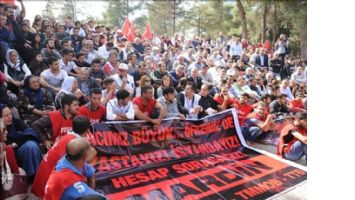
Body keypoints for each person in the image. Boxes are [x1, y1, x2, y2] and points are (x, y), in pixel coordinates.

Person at [32, 116, 97, 199]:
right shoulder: (75, 143)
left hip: (44, 180)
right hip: (50, 185)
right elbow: (90, 155)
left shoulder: (69, 137)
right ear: (87, 130)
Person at [0, 104, 42, 180]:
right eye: (6, 115)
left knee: (31, 145)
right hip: (7, 155)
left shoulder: (16, 122)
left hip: (19, 149)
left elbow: (31, 134)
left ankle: (35, 176)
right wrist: (14, 144)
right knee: (29, 146)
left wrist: (15, 144)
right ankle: (36, 177)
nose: (10, 117)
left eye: (10, 114)